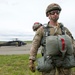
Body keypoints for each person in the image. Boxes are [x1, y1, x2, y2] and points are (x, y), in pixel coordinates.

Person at [29, 3, 75, 75]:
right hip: (49, 60)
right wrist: (31, 60)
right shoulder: (42, 30)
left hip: (64, 59)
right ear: (48, 15)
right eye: (53, 13)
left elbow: (72, 43)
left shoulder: (64, 29)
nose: (55, 14)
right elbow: (35, 45)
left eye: (57, 12)